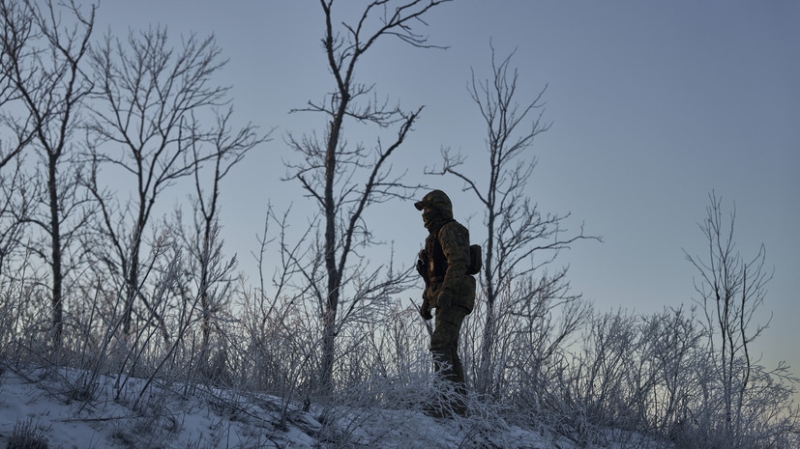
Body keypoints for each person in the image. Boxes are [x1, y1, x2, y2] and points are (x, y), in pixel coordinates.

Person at [414, 189, 476, 416]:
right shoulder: (434, 236)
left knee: (440, 343)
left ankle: (444, 403)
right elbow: (434, 276)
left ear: (439, 210)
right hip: (445, 297)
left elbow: (459, 261)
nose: (424, 213)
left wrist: (447, 293)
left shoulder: (451, 230)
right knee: (447, 346)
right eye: (423, 209)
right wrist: (426, 301)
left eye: (428, 209)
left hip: (456, 295)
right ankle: (456, 406)